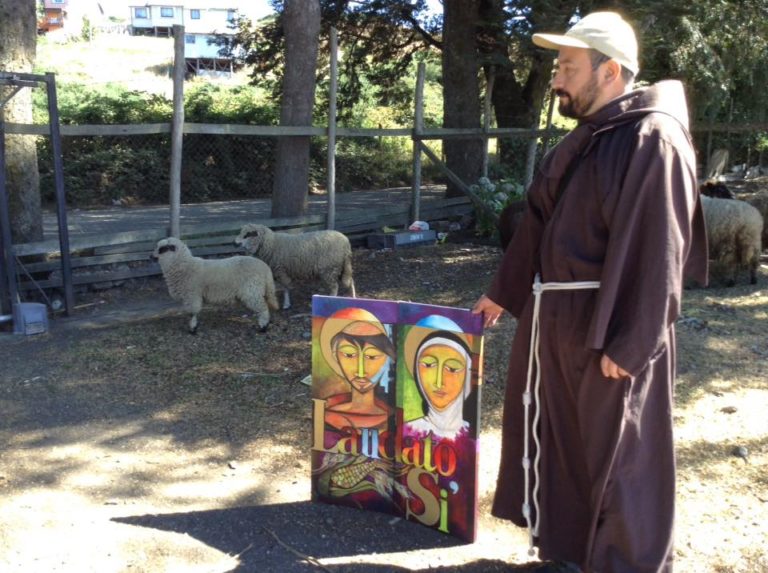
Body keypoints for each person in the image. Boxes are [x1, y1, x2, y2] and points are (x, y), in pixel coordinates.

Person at [472, 11, 708, 573]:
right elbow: (535, 220)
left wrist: (631, 344)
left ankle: (628, 564)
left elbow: (662, 251)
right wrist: (502, 295)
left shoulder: (654, 137)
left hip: (610, 329)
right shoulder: (586, 139)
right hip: (557, 321)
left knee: (621, 458)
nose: (556, 80)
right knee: (565, 444)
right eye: (558, 67)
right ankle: (572, 554)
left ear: (609, 72)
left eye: (567, 67)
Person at [318, 307, 396, 431]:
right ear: (335, 356)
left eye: (372, 356)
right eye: (349, 355)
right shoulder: (324, 413)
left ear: (387, 359)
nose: (360, 372)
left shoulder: (393, 416)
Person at [402, 315, 474, 440]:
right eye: (428, 365)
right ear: (416, 372)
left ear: (467, 374)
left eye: (452, 369)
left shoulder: (471, 434)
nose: (439, 382)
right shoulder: (408, 431)